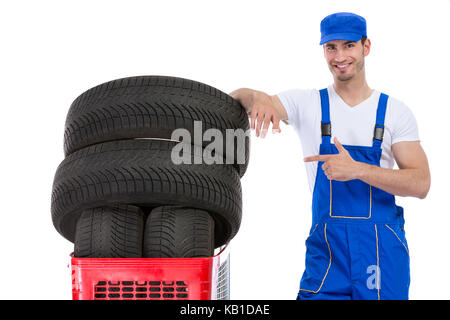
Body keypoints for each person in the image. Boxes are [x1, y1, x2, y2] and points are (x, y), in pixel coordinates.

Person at [230, 12, 430, 300]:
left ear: (366, 47)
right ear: (323, 50)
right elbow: (244, 98)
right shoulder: (308, 103)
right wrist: (255, 96)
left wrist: (357, 170)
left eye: (348, 45)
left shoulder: (394, 112)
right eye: (331, 47)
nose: (339, 56)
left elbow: (421, 182)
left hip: (381, 252)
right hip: (327, 251)